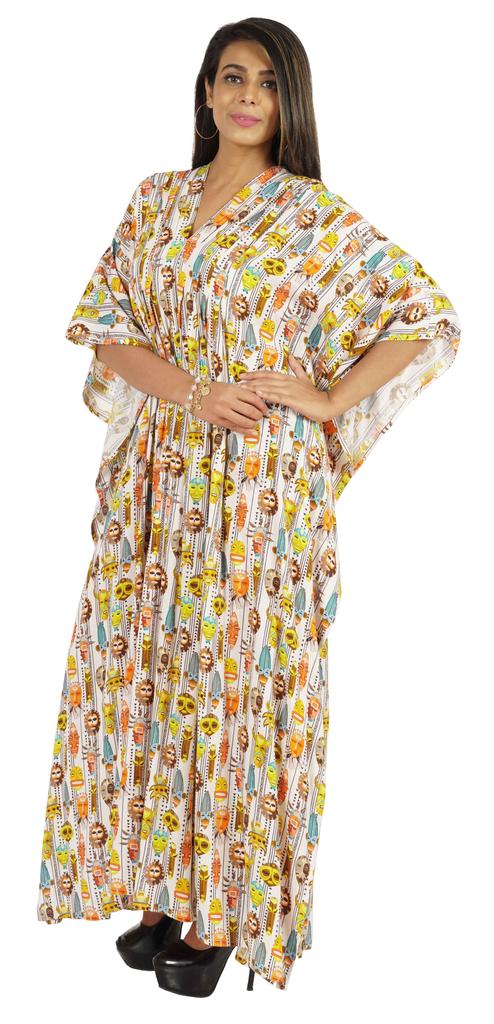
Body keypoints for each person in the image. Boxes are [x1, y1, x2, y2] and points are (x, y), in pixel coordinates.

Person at [36, 17, 461, 996]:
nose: (245, 97)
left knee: (232, 685)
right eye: (231, 77)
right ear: (205, 90)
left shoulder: (309, 215)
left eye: (266, 84)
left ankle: (221, 910)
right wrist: (193, 393)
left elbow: (423, 316)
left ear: (287, 103)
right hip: (158, 481)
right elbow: (107, 332)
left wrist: (328, 397)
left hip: (257, 492)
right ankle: (158, 889)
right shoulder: (155, 200)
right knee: (148, 671)